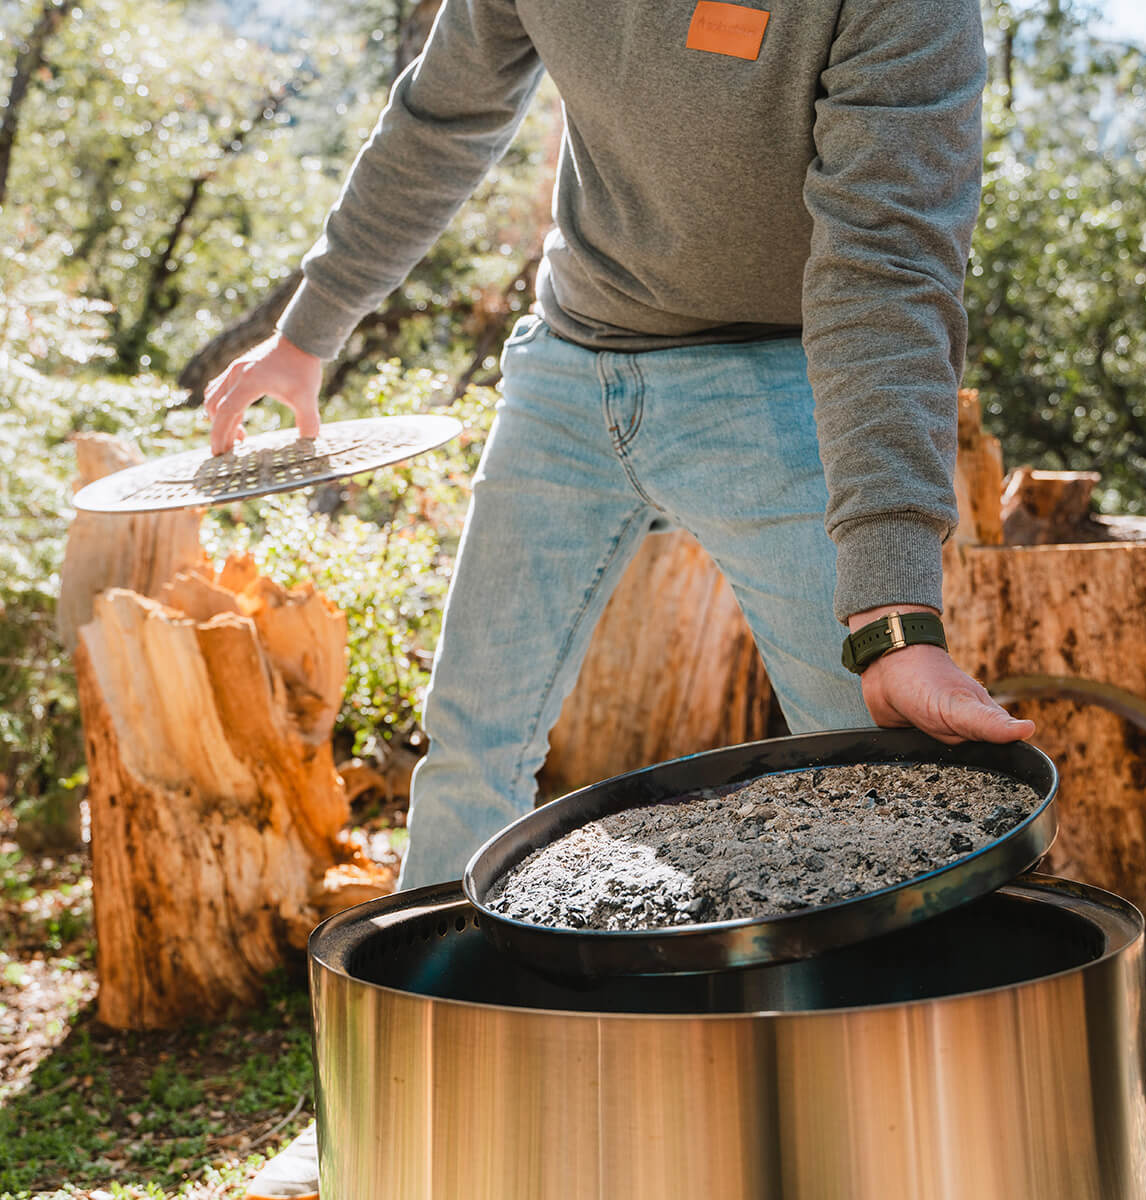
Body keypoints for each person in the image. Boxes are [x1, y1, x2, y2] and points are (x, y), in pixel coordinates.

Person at [209, 0, 1033, 1194]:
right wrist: (310, 327)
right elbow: (442, 118)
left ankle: (915, 1132)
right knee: (471, 739)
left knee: (881, 773)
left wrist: (897, 613)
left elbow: (890, 263)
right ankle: (400, 1115)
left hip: (774, 380)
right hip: (569, 367)